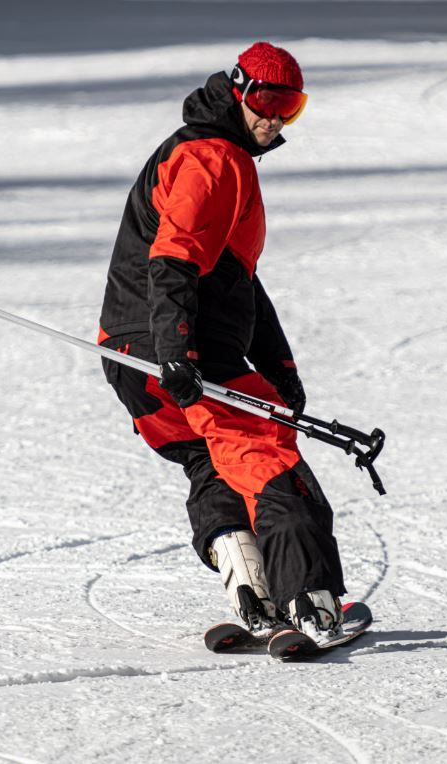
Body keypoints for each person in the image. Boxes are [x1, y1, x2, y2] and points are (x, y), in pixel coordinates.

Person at [97, 42, 346, 642]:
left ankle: (250, 590)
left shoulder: (215, 156)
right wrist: (178, 350)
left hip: (130, 354)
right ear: (237, 90)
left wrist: (279, 368)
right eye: (266, 99)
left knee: (214, 460)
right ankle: (311, 601)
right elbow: (175, 261)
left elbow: (239, 285)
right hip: (179, 348)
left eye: (291, 105)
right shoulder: (213, 157)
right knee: (267, 452)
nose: (275, 117)